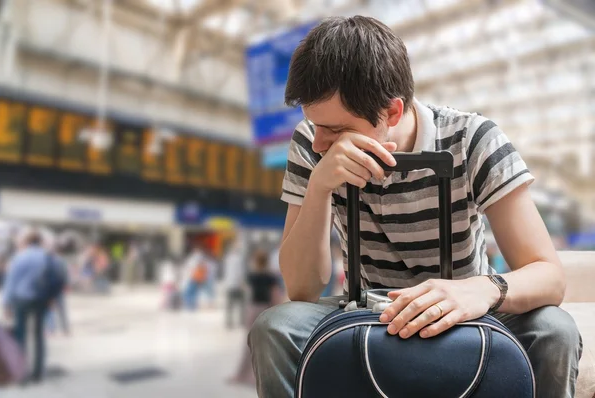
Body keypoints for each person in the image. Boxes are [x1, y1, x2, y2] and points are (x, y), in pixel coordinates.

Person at [248, 16, 582, 398]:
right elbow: (302, 288)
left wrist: (479, 291)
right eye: (313, 123)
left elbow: (549, 276)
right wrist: (320, 186)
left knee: (555, 330)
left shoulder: (472, 139)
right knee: (273, 327)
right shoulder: (311, 142)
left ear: (391, 112)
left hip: (467, 307)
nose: (321, 142)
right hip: (366, 307)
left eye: (337, 130)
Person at [1, 228, 65, 383]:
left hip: (21, 300)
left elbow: (11, 282)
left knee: (20, 336)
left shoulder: (19, 258)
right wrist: (52, 298)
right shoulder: (48, 258)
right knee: (38, 337)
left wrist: (6, 303)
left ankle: (22, 373)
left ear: (26, 242)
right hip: (40, 300)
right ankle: (38, 373)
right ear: (39, 242)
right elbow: (58, 278)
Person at [230, 249, 279, 387]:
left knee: (249, 343)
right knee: (265, 344)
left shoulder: (252, 276)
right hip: (266, 310)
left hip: (253, 309)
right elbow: (275, 296)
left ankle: (242, 375)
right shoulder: (271, 277)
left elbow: (245, 290)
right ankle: (262, 376)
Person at [223, 233, 247, 329]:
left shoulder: (228, 258)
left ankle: (229, 323)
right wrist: (242, 283)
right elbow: (239, 272)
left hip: (229, 284)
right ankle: (241, 322)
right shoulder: (238, 258)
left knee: (230, 305)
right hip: (237, 285)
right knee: (241, 305)